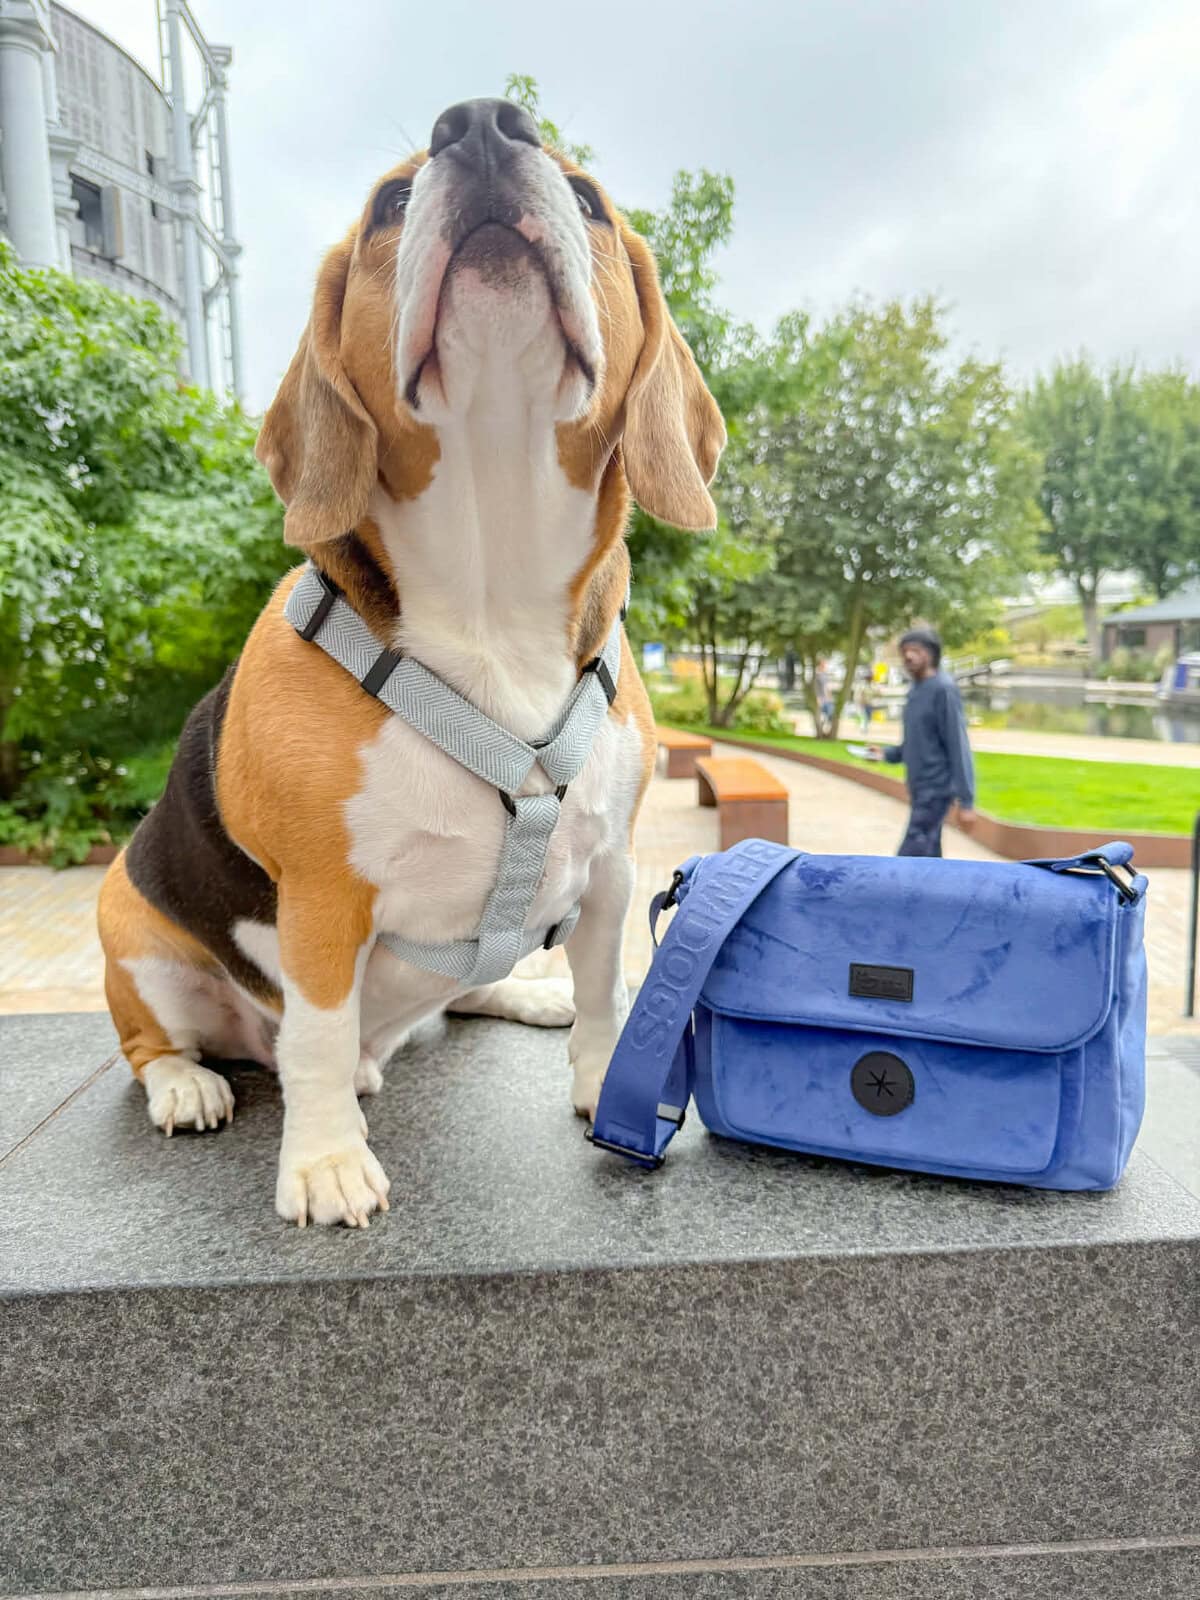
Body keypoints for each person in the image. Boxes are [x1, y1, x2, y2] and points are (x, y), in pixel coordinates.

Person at [869, 627, 976, 857]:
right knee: (929, 852)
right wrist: (886, 754)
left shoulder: (943, 689)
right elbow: (916, 742)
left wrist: (966, 801)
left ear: (930, 654)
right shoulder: (916, 690)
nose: (908, 656)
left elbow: (958, 745)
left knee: (910, 853)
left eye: (915, 650)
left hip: (936, 789)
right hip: (918, 787)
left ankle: (896, 893)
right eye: (905, 651)